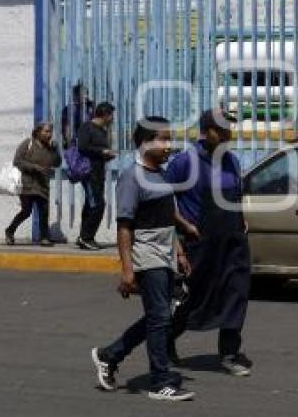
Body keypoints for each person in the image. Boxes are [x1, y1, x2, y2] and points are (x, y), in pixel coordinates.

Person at [91, 116, 197, 402]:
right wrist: (127, 270)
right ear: (144, 143)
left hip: (165, 253)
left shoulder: (161, 174)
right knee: (160, 317)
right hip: (146, 253)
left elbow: (166, 214)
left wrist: (180, 249)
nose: (168, 145)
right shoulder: (131, 176)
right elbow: (124, 226)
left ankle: (109, 355)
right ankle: (160, 381)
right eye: (162, 138)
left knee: (158, 316)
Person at [166, 109, 252, 377]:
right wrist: (184, 226)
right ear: (207, 131)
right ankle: (166, 340)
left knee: (236, 294)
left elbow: (236, 195)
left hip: (233, 241)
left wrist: (241, 218)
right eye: (223, 131)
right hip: (200, 242)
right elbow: (163, 201)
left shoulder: (233, 162)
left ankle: (229, 353)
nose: (229, 136)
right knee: (195, 299)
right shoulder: (184, 162)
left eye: (230, 131)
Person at [5, 122, 62, 246]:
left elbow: (57, 163)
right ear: (38, 132)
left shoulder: (50, 147)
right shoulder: (28, 143)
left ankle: (44, 237)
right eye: (46, 131)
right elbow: (17, 161)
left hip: (43, 184)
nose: (49, 134)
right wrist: (34, 167)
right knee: (26, 211)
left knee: (44, 211)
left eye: (50, 132)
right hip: (27, 184)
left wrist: (55, 150)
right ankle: (10, 231)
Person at [76, 102, 116, 250]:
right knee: (97, 205)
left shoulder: (102, 130)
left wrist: (107, 156)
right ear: (105, 115)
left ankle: (84, 236)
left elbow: (97, 150)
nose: (112, 118)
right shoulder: (87, 127)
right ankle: (86, 237)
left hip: (99, 172)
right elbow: (83, 147)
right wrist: (102, 152)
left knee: (90, 205)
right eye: (111, 115)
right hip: (89, 173)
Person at [61, 84, 95, 148]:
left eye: (87, 94)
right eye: (83, 95)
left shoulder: (91, 107)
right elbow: (65, 127)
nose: (86, 97)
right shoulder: (68, 110)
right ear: (76, 96)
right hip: (74, 142)